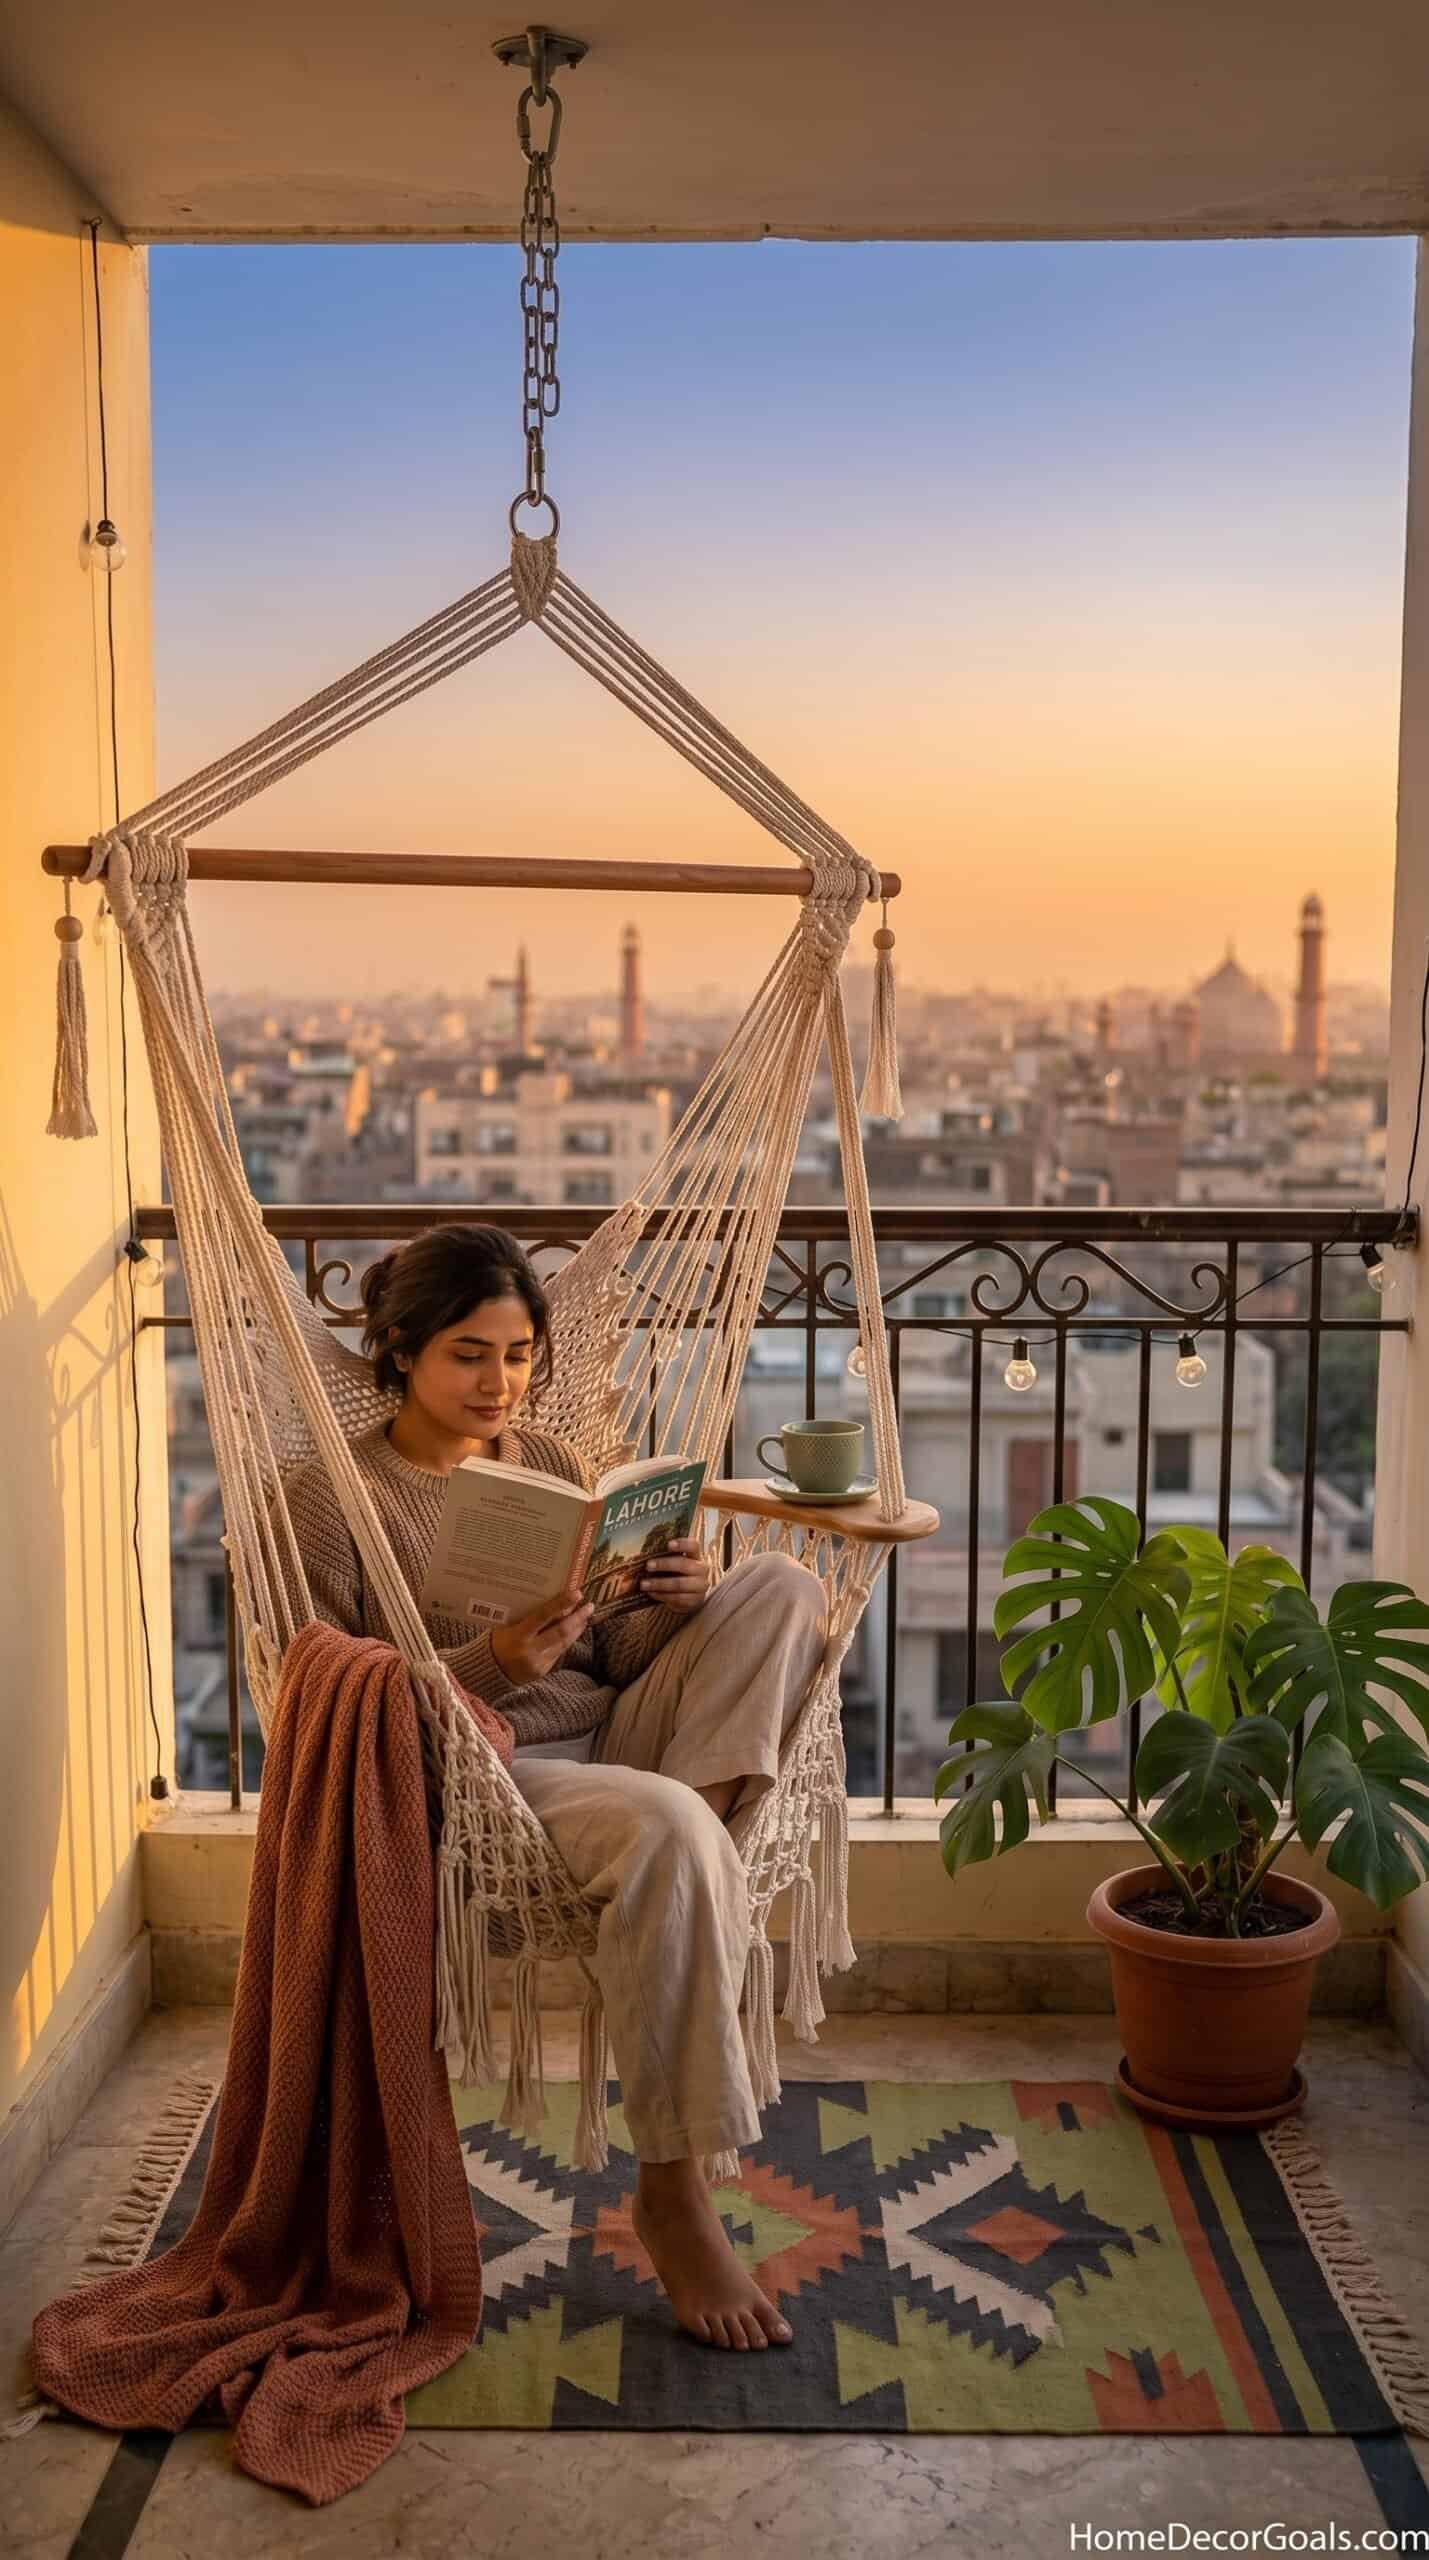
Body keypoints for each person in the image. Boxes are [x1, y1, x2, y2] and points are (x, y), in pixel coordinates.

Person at [281, 1223, 830, 2353]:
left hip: (616, 1741)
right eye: (470, 1354)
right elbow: (325, 1705)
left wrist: (670, 1600)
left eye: (520, 1353)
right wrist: (495, 1667)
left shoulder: (549, 1465)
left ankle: (682, 1858)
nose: (500, 1383)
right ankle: (673, 2194)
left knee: (778, 1583)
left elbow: (612, 1664)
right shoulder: (332, 1498)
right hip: (481, 1771)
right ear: (398, 1351)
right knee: (672, 1827)